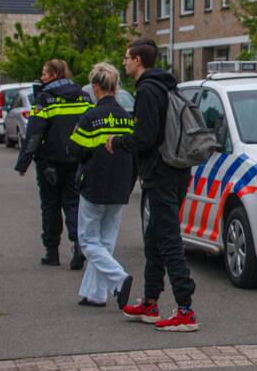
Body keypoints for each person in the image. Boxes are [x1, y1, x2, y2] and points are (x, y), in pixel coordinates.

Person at [107, 38, 198, 332]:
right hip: (174, 171)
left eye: (126, 58)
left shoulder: (147, 90)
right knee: (155, 239)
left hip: (161, 175)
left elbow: (146, 137)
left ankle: (185, 310)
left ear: (137, 61)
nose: (124, 62)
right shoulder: (166, 85)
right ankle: (150, 302)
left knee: (168, 239)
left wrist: (117, 142)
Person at [67, 63, 135, 309]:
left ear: (95, 87)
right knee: (106, 241)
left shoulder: (90, 117)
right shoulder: (127, 118)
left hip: (94, 185)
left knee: (88, 241)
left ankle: (119, 278)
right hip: (120, 186)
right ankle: (95, 294)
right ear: (115, 87)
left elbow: (73, 149)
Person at [14, 59, 92, 269]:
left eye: (45, 74)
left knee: (50, 206)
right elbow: (90, 123)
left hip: (50, 163)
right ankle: (78, 245)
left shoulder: (45, 98)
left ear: (55, 74)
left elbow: (34, 133)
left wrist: (23, 163)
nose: (42, 78)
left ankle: (52, 252)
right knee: (73, 203)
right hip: (76, 160)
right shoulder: (83, 95)